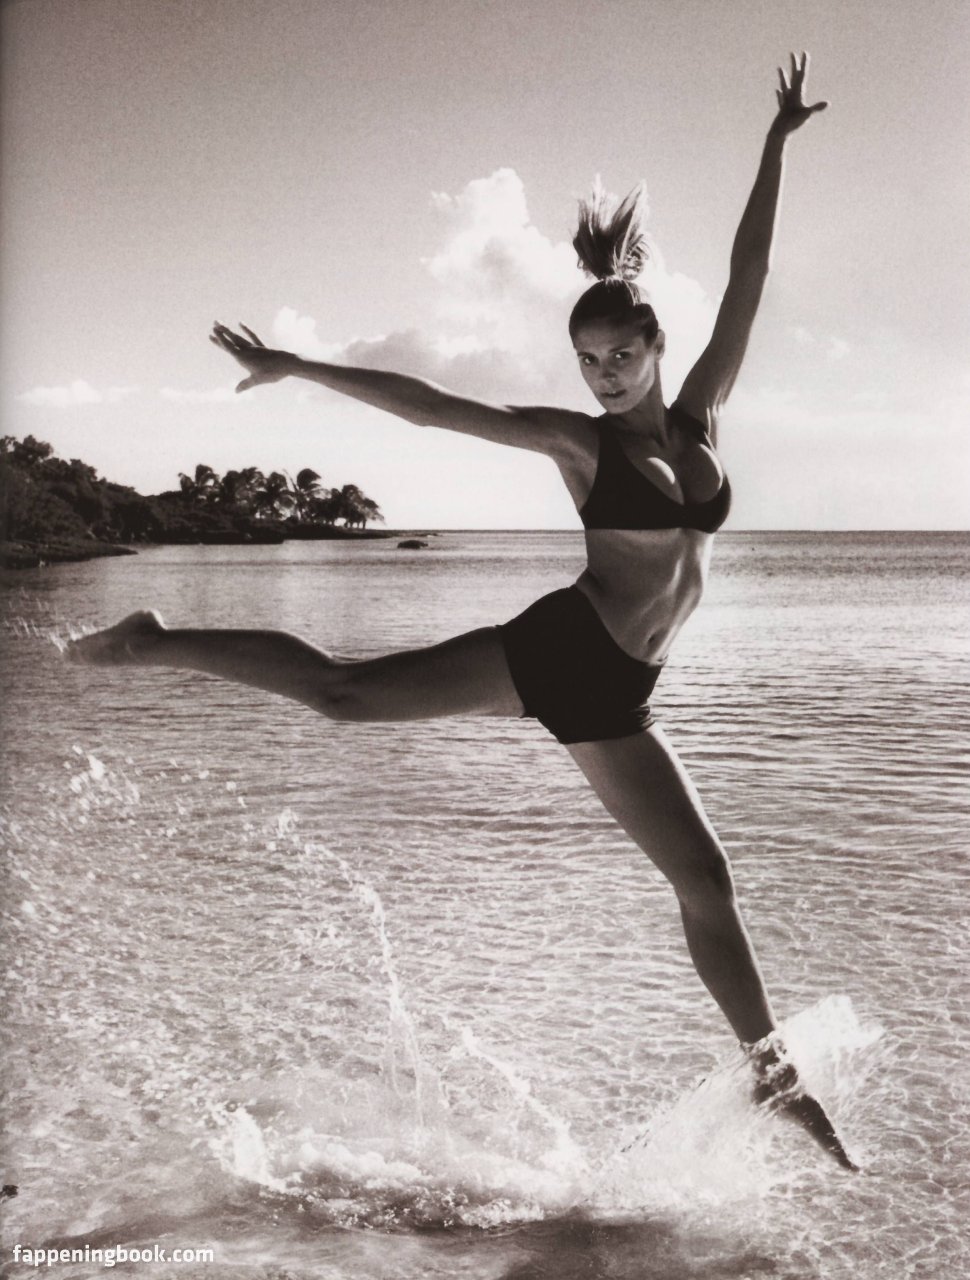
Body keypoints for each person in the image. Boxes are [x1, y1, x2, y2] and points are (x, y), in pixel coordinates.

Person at [69, 54, 856, 1169]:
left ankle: (772, 1078)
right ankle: (154, 641)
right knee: (345, 696)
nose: (605, 374)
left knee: (704, 880)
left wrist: (774, 143)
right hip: (566, 651)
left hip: (624, 697)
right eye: (587, 361)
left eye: (621, 355)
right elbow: (435, 408)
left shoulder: (701, 419)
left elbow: (749, 273)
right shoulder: (578, 443)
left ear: (656, 346)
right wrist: (299, 365)